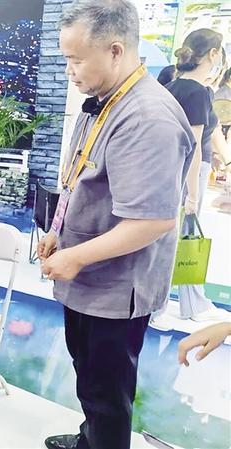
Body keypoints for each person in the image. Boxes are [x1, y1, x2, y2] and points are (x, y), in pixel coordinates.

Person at [38, 1, 195, 448]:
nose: (69, 70)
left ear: (114, 51)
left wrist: (75, 256)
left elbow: (153, 220)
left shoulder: (146, 118)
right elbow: (83, 179)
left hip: (116, 286)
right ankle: (89, 439)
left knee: (107, 392)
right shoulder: (106, 100)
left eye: (76, 59)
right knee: (89, 376)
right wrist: (59, 232)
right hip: (89, 276)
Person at [150, 29, 231, 330]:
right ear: (213, 54)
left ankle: (189, 303)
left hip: (171, 171)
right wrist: (193, 194)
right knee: (179, 241)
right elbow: (194, 146)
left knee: (176, 239)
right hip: (188, 174)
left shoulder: (172, 87)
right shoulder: (197, 91)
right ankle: (167, 306)